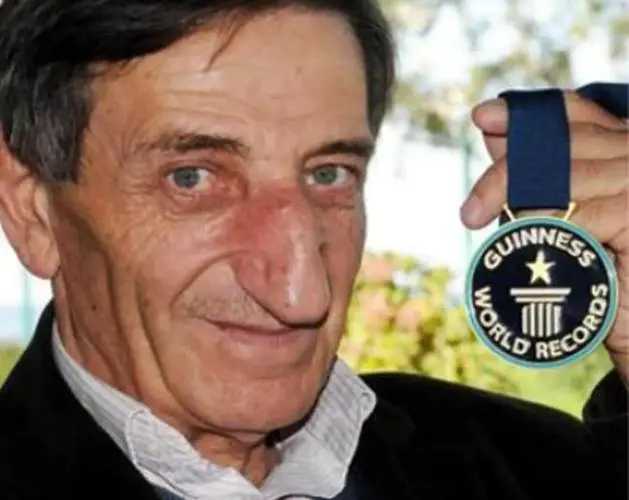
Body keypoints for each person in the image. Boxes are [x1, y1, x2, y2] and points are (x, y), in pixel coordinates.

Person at [0, 1, 626, 499]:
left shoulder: (521, 467)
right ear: (33, 212)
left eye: (329, 175)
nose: (303, 294)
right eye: (192, 178)